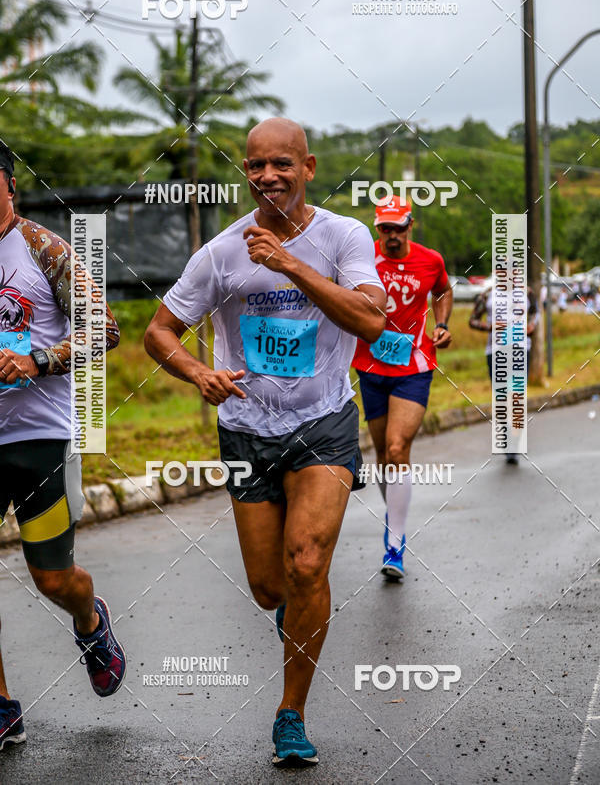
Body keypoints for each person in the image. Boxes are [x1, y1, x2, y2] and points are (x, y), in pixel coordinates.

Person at [144, 118, 386, 767]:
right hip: (248, 431)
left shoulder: (343, 236)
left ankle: (290, 714)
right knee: (269, 588)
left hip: (324, 426)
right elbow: (158, 332)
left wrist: (289, 265)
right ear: (246, 173)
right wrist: (198, 372)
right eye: (256, 167)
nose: (268, 177)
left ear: (307, 166)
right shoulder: (221, 253)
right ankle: (295, 613)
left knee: (307, 563)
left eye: (282, 164)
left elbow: (370, 317)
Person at [0, 141, 126, 751]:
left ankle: (90, 619)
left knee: (52, 580)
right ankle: (1, 706)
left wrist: (37, 359)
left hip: (38, 437)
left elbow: (105, 328)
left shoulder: (42, 247)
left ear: (9, 186)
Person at [352, 196, 453, 579]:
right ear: (377, 228)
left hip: (414, 364)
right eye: (384, 229)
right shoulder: (364, 259)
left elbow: (442, 291)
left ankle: (395, 542)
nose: (391, 236)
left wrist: (440, 324)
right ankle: (396, 516)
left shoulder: (431, 260)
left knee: (397, 447)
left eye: (398, 228)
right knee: (382, 454)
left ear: (411, 225)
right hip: (370, 363)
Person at [469, 282, 539, 465]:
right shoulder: (488, 295)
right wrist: (491, 327)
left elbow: (536, 314)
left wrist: (530, 327)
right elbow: (473, 320)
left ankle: (514, 443)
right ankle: (507, 435)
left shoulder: (527, 292)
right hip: (496, 351)